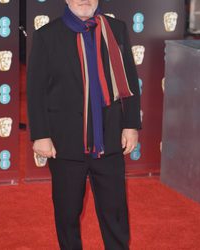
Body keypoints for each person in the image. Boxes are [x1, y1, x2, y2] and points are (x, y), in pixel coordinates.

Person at [27, 0, 141, 249]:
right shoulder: (47, 36)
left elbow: (130, 79)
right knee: (67, 213)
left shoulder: (116, 29)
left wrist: (131, 125)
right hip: (65, 142)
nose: (84, 0)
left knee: (115, 212)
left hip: (109, 139)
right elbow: (35, 91)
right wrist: (41, 135)